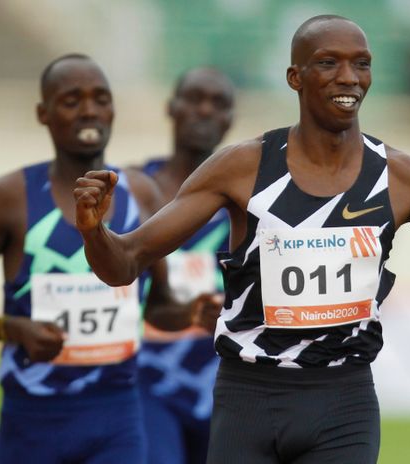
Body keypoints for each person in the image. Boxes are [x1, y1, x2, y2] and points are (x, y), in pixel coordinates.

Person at [74, 15, 410, 464]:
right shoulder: (241, 168)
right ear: (295, 77)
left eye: (362, 64)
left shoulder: (402, 178)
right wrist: (94, 229)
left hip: (342, 401)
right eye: (328, 63)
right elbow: (125, 262)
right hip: (248, 398)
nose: (348, 77)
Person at [0, 54, 190, 464]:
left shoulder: (142, 194)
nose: (90, 109)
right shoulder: (9, 198)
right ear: (44, 113)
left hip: (117, 414)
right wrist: (14, 328)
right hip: (33, 416)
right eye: (72, 100)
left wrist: (192, 314)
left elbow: (160, 305)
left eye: (101, 98)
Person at [134, 67, 234, 464]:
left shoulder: (250, 205)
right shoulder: (131, 191)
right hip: (147, 382)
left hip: (225, 387)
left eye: (219, 103)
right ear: (170, 108)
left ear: (230, 120)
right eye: (194, 98)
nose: (205, 110)